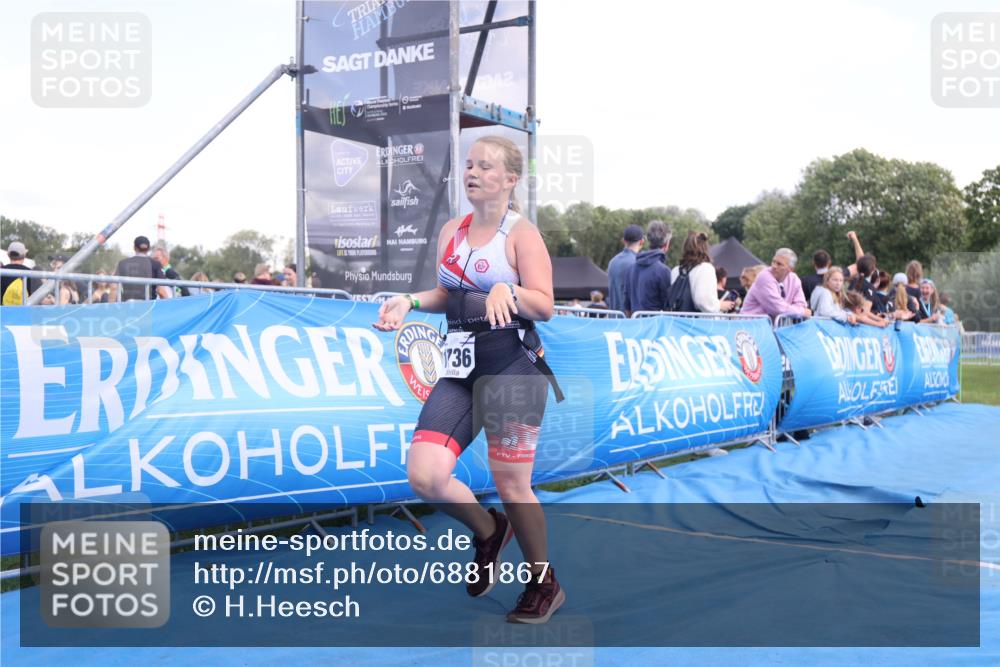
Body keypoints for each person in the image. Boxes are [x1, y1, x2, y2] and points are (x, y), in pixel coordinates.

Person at [373, 135, 565, 624]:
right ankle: (487, 530)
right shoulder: (451, 231)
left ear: (510, 179)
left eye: (484, 166)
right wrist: (410, 300)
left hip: (511, 367)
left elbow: (545, 304)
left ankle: (544, 582)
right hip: (460, 369)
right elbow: (446, 292)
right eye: (469, 164)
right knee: (425, 475)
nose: (472, 172)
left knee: (511, 483)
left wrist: (508, 287)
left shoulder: (521, 234)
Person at [669, 232, 737, 313]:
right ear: (705, 248)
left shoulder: (675, 270)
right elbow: (703, 301)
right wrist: (720, 305)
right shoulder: (705, 268)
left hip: (677, 320)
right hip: (697, 322)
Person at [740, 248, 811, 320]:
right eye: (773, 262)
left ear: (790, 269)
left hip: (770, 327)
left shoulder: (794, 279)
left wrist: (798, 311)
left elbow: (801, 305)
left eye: (779, 264)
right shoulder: (764, 277)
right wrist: (801, 312)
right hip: (751, 327)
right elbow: (778, 309)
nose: (774, 266)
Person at [623, 220, 672, 313]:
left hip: (635, 325)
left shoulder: (631, 269)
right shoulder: (664, 271)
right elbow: (668, 306)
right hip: (655, 325)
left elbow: (627, 306)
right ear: (666, 244)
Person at [112, 236, 170, 301]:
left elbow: (114, 287)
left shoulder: (122, 263)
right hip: (148, 307)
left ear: (134, 247)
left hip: (127, 306)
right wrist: (170, 307)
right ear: (148, 248)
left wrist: (110, 308)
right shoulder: (155, 264)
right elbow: (161, 291)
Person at [606, 224, 644, 312]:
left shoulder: (612, 262)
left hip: (614, 319)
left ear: (624, 241)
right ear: (642, 242)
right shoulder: (637, 263)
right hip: (629, 321)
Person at [1, 241, 40, 306]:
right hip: (25, 315)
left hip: (3, 315)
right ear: (24, 255)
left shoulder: (2, 272)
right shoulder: (33, 275)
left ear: (8, 254)